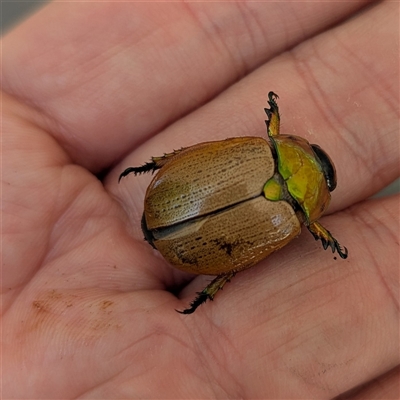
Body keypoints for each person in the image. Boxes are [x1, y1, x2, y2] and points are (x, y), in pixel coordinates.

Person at [2, 2, 398, 398]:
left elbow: (200, 156)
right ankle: (209, 289)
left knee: (234, 258)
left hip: (169, 206)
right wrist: (324, 234)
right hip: (183, 231)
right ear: (317, 202)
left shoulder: (265, 149)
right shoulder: (298, 220)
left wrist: (272, 116)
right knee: (236, 264)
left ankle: (200, 270)